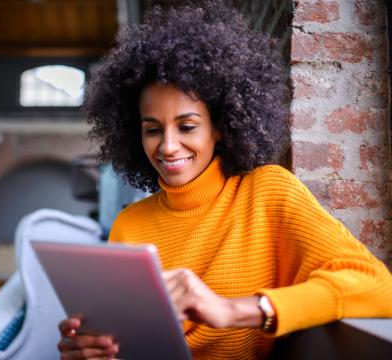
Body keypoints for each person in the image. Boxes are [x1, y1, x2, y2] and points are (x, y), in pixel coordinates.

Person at [58, 1, 392, 359]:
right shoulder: (129, 226)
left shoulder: (267, 191)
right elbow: (126, 343)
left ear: (219, 127)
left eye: (187, 126)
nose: (168, 146)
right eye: (152, 130)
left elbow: (377, 287)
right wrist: (92, 349)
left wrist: (234, 309)